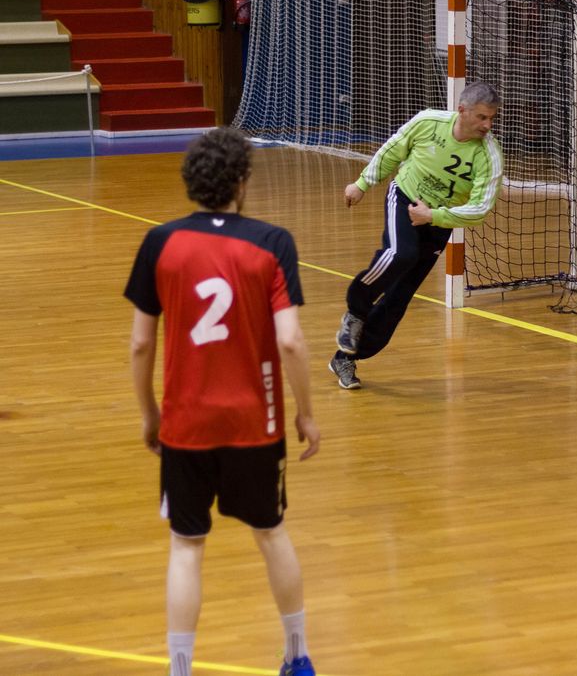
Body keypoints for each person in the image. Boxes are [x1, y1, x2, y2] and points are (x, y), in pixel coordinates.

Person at [125, 127, 321, 676]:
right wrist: (305, 413)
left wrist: (149, 413)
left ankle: (180, 669)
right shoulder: (273, 242)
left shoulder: (159, 242)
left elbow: (140, 343)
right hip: (255, 424)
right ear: (242, 181)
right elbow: (291, 340)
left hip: (186, 425)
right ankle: (298, 656)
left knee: (187, 546)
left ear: (192, 182)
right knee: (271, 533)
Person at [329, 81, 504, 389]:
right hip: (405, 199)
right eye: (481, 117)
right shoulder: (428, 122)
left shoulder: (489, 156)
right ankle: (356, 310)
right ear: (462, 111)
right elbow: (392, 150)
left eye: (491, 118)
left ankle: (345, 358)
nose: (487, 125)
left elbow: (481, 209)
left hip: (437, 220)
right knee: (401, 254)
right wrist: (362, 184)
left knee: (398, 299)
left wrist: (433, 216)